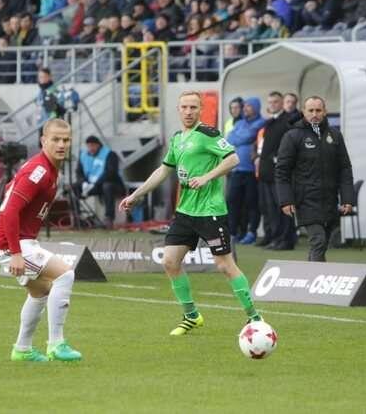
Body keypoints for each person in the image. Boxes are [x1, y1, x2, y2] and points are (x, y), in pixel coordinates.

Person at [119, 91, 262, 336]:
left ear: (200, 110)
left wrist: (206, 177)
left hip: (210, 211)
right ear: (178, 109)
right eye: (184, 107)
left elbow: (233, 159)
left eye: (193, 107)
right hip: (185, 211)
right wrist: (135, 195)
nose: (188, 111)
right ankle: (191, 315)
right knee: (169, 261)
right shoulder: (177, 139)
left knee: (224, 265)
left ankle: (254, 317)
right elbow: (163, 171)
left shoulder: (208, 134)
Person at [0, 118, 82, 363]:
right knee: (65, 275)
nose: (61, 144)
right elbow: (10, 210)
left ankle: (22, 349)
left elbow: (13, 194)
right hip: (12, 244)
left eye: (66, 140)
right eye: (56, 139)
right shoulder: (38, 171)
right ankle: (56, 344)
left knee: (40, 292)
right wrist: (16, 252)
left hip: (20, 241)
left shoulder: (48, 169)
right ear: (43, 141)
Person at [275, 96, 354, 262]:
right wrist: (286, 200)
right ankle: (318, 276)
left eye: (318, 110)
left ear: (325, 112)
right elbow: (282, 171)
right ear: (303, 112)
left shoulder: (335, 135)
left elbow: (345, 169)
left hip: (330, 200)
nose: (314, 114)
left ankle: (309, 274)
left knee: (321, 245)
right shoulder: (292, 136)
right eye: (310, 110)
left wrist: (347, 198)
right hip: (305, 200)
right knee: (318, 241)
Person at [257, 92, 296, 250]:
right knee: (270, 209)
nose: (272, 105)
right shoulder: (269, 122)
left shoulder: (288, 121)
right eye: (270, 102)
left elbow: (291, 144)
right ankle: (275, 237)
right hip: (266, 173)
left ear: (281, 103)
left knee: (283, 208)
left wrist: (278, 158)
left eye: (275, 102)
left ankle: (286, 240)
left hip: (280, 174)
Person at [227, 97, 265, 245]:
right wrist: (241, 137)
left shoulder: (261, 123)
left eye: (248, 106)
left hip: (251, 171)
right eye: (245, 106)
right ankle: (233, 232)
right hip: (236, 170)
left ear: (256, 107)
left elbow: (249, 135)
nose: (245, 108)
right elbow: (230, 139)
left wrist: (240, 137)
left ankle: (251, 232)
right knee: (232, 201)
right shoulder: (240, 123)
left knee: (251, 203)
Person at [74, 135, 124, 229]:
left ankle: (109, 218)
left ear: (98, 145)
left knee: (107, 186)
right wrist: (83, 182)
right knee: (73, 188)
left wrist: (95, 183)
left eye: (93, 146)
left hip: (111, 184)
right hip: (90, 185)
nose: (91, 148)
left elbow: (111, 173)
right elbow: (78, 172)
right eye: (89, 146)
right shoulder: (83, 155)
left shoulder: (110, 154)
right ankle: (77, 217)